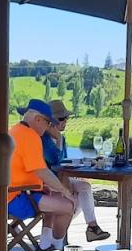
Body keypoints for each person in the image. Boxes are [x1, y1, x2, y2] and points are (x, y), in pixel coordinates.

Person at [8, 99, 103, 251]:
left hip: (15, 193)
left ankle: (46, 246)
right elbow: (42, 171)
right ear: (38, 119)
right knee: (68, 205)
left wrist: (48, 187)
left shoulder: (15, 131)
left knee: (57, 199)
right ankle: (56, 249)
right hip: (18, 199)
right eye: (47, 122)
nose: (47, 127)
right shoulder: (30, 137)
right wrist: (64, 190)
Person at [42, 99, 109, 242]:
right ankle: (56, 237)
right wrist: (59, 139)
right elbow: (55, 162)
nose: (65, 121)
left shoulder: (62, 138)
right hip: (48, 182)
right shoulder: (44, 140)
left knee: (84, 187)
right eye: (61, 118)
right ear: (51, 121)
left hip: (61, 179)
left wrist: (86, 162)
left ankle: (92, 227)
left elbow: (64, 162)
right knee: (74, 199)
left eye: (66, 118)